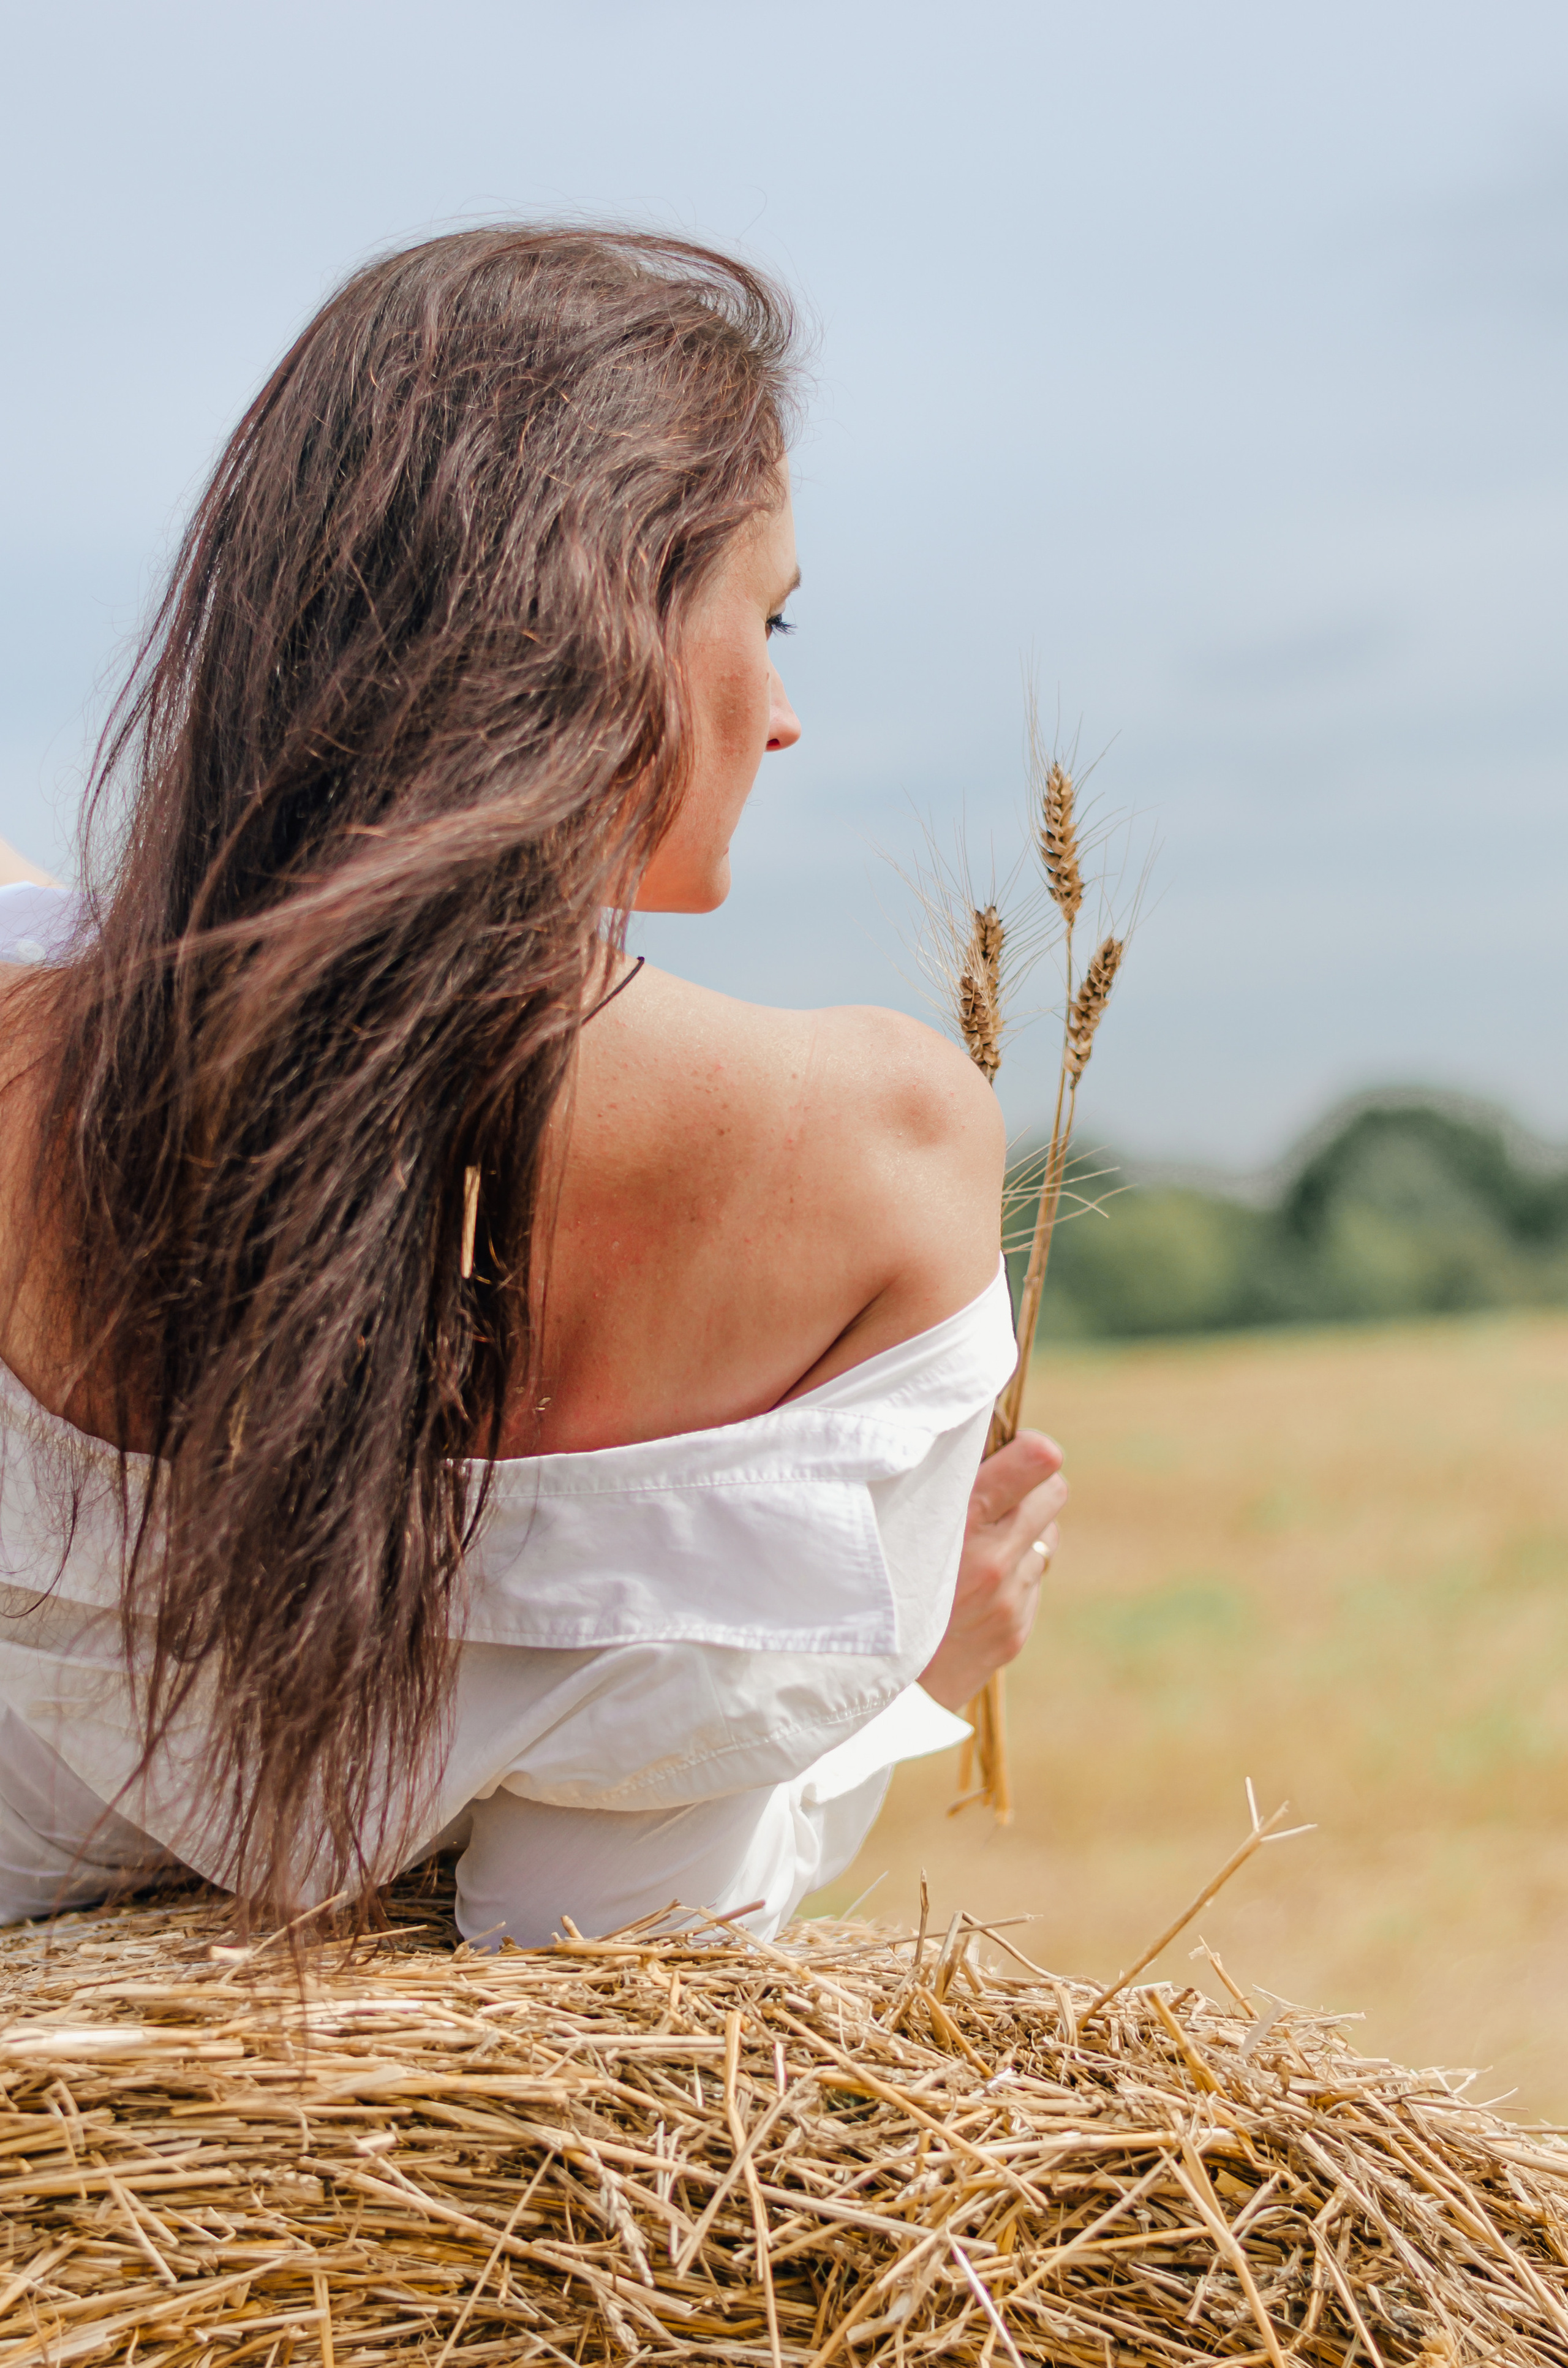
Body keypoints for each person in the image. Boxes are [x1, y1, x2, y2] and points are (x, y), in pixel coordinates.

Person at [0, 229, 1065, 1945]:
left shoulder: (23, 1051)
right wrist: (915, 1668)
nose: (781, 713)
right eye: (765, 613)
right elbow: (604, 1949)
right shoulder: (872, 1151)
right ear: (608, 617)